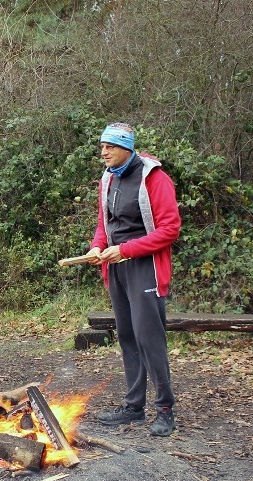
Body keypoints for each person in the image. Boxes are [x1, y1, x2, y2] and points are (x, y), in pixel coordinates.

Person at [86, 122, 182, 436]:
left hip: (145, 267)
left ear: (127, 147)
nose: (104, 152)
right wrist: (98, 246)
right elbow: (105, 222)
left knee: (148, 337)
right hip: (116, 268)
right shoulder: (108, 179)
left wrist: (125, 249)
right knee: (127, 334)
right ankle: (133, 406)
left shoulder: (154, 178)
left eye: (110, 147)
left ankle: (165, 409)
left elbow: (170, 230)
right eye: (102, 147)